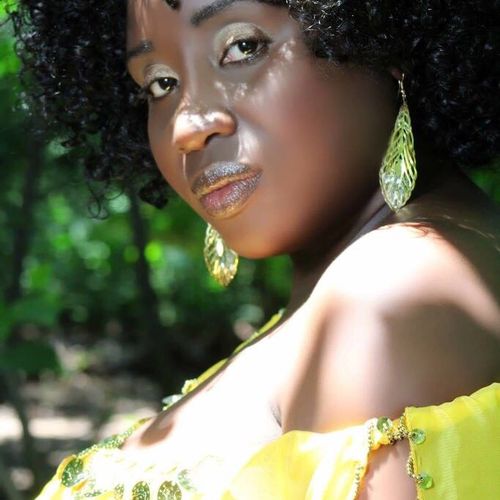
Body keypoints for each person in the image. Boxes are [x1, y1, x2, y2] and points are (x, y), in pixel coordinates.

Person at [10, 0, 500, 498]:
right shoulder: (378, 285)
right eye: (160, 84)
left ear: (383, 32)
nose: (187, 127)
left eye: (242, 47)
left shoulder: (391, 288)